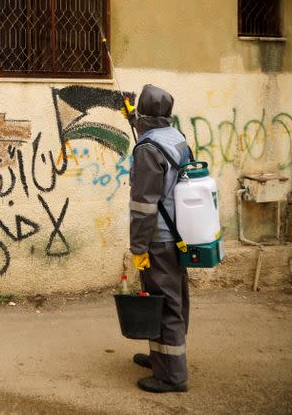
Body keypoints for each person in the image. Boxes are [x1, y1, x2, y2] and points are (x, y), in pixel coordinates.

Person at [125, 84, 192, 393]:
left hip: (158, 240)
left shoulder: (148, 149)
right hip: (178, 234)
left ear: (143, 114)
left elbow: (143, 206)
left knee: (164, 305)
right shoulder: (176, 138)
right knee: (170, 300)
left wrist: (138, 247)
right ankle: (161, 358)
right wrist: (137, 122)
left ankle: (171, 377)